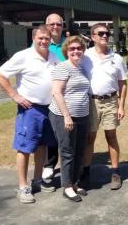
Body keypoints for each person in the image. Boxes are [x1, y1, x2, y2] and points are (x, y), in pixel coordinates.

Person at [0, 26, 59, 204]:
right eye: (40, 38)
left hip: (49, 109)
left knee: (42, 146)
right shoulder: (23, 56)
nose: (44, 41)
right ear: (33, 38)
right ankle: (23, 187)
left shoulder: (53, 57)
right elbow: (0, 75)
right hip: (30, 110)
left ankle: (37, 181)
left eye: (46, 38)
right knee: (25, 148)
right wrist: (15, 96)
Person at [81, 23, 127, 190]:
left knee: (111, 136)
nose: (105, 36)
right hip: (91, 102)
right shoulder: (84, 56)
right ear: (93, 37)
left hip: (110, 102)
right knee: (89, 138)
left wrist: (121, 106)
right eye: (100, 33)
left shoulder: (117, 58)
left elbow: (123, 83)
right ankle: (85, 174)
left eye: (107, 33)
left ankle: (115, 173)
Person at [49, 35, 90, 202]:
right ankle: (66, 187)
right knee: (67, 152)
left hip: (82, 116)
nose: (76, 51)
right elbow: (57, 92)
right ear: (66, 51)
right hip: (64, 116)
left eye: (79, 48)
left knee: (79, 150)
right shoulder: (62, 67)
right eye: (72, 49)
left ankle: (73, 182)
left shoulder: (82, 68)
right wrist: (67, 116)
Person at [42, 13, 66, 181]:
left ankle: (69, 165)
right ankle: (49, 165)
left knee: (67, 133)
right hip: (49, 96)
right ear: (47, 25)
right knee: (51, 132)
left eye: (58, 24)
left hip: (68, 96)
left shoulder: (69, 44)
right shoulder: (41, 43)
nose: (55, 27)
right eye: (52, 24)